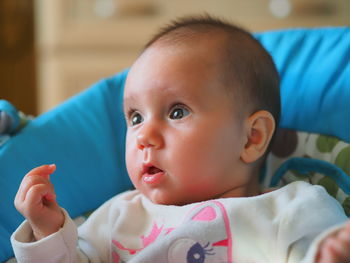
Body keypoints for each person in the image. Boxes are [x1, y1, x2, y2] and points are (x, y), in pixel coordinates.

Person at [11, 15, 350, 263]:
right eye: (135, 117)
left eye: (176, 112)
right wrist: (47, 232)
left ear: (252, 138)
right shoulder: (117, 216)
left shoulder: (291, 210)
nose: (144, 135)